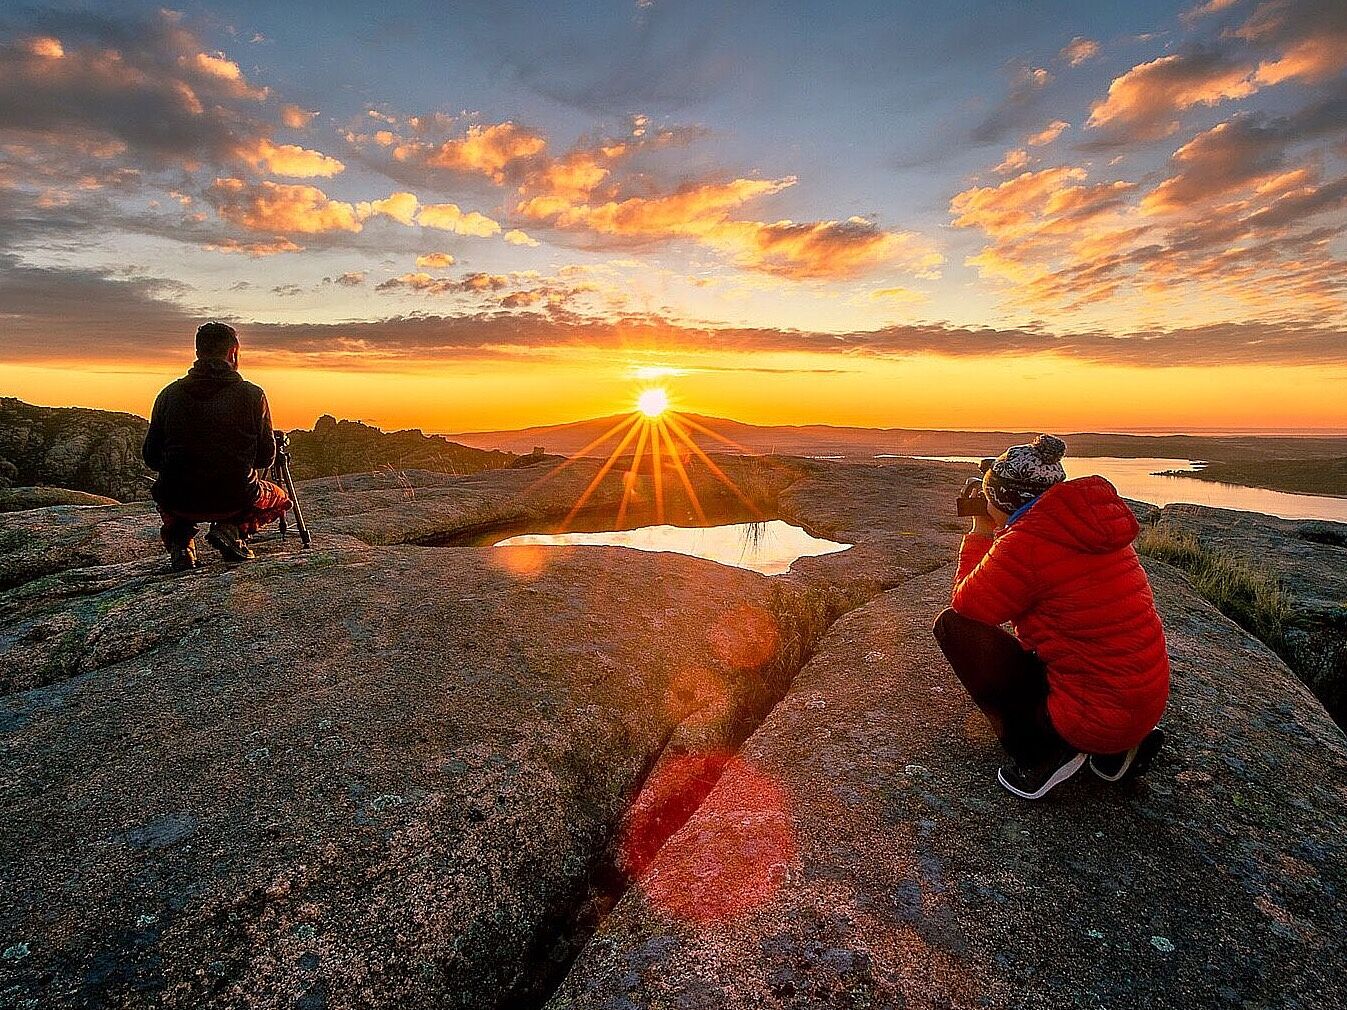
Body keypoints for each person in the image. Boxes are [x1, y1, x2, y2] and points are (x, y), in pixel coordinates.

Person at [932, 434, 1169, 800]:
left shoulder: (1026, 543)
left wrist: (981, 533)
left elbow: (969, 607)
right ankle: (1119, 749)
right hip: (1142, 707)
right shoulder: (1087, 526)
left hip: (1090, 717)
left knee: (951, 627)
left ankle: (1043, 751)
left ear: (1004, 501)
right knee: (1077, 652)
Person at [142, 322, 291, 570]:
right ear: (233, 353)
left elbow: (151, 457)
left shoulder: (168, 395)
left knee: (165, 489)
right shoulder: (253, 395)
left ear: (198, 353)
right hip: (234, 498)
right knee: (281, 498)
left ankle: (181, 543)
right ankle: (231, 530)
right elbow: (265, 458)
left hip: (177, 498)